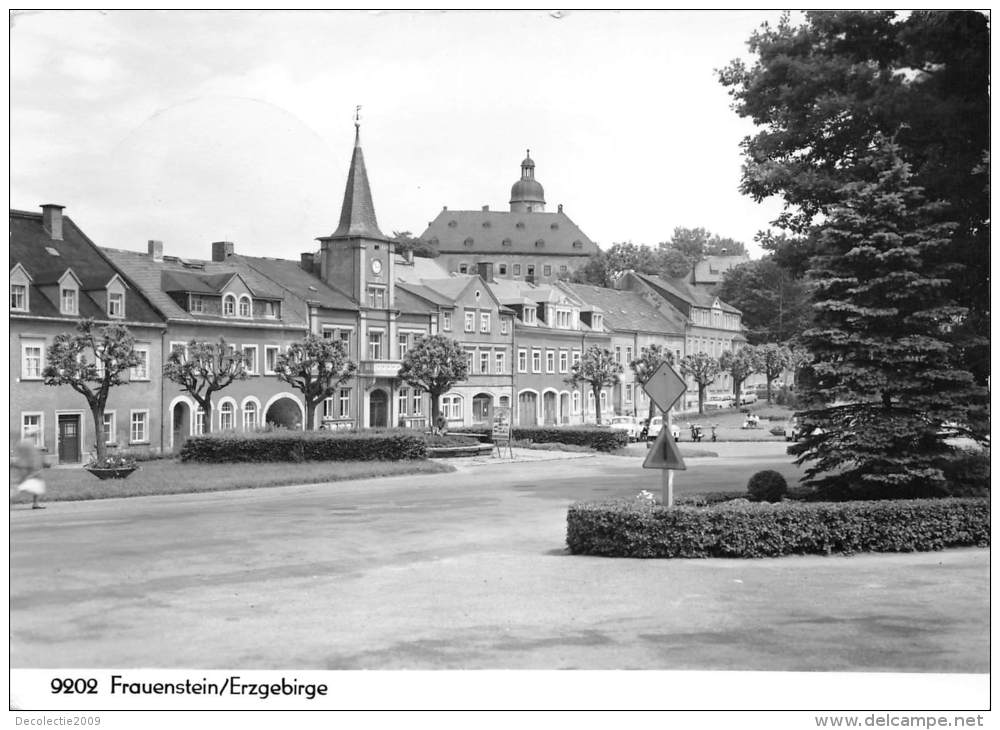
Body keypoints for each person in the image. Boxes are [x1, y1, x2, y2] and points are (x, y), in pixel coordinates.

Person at [12, 431, 46, 509]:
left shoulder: (22, 443)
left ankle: (35, 504)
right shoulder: (30, 443)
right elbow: (31, 456)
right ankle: (35, 504)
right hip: (28, 468)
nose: (35, 437)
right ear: (32, 435)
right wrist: (36, 467)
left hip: (22, 466)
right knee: (21, 486)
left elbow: (21, 453)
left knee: (36, 484)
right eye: (35, 435)